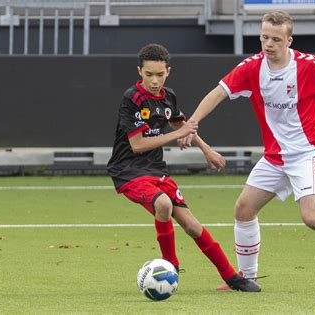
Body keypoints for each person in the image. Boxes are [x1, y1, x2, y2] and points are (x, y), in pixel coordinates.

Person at [182, 11, 315, 290]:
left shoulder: (307, 66)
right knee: (243, 209)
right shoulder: (252, 67)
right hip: (276, 157)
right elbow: (218, 92)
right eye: (264, 37)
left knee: (313, 218)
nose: (268, 44)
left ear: (288, 40)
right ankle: (245, 280)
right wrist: (193, 122)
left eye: (276, 39)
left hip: (308, 151)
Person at [107, 43, 260, 292]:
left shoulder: (168, 96)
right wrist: (176, 135)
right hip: (128, 170)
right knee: (164, 204)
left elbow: (181, 125)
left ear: (168, 71)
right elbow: (137, 145)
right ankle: (171, 267)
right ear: (139, 71)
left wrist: (207, 150)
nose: (154, 81)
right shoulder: (131, 99)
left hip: (156, 169)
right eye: (148, 75)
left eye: (159, 74)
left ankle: (232, 277)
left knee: (192, 225)